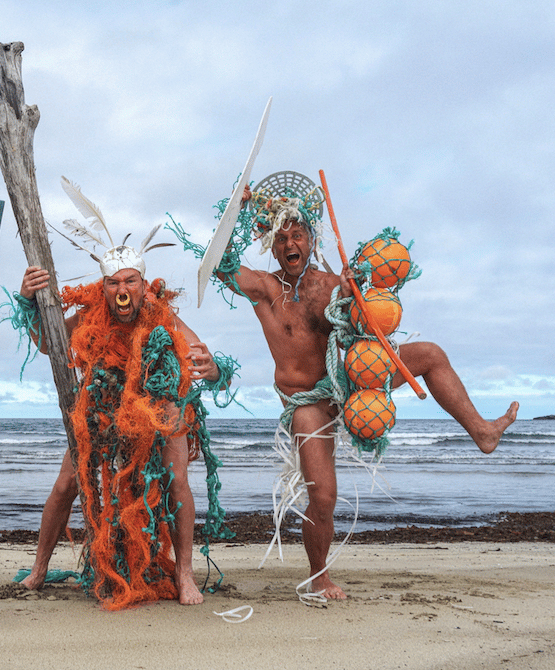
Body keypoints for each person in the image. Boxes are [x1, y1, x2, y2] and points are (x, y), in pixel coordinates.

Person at [212, 176, 519, 601]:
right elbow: (218, 263)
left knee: (429, 353)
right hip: (309, 404)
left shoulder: (336, 285)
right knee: (324, 496)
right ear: (270, 243)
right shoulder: (266, 289)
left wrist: (360, 286)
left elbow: (374, 313)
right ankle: (319, 577)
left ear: (310, 237)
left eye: (296, 234)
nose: (289, 244)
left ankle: (482, 431)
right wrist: (240, 210)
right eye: (280, 238)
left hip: (353, 384)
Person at [15, 242, 228, 608]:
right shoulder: (90, 316)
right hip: (103, 407)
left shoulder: (163, 318)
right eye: (113, 283)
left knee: (177, 481)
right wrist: (27, 302)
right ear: (104, 288)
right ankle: (38, 567)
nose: (122, 290)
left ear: (144, 285)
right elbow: (50, 344)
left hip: (159, 409)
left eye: (130, 281)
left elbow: (206, 362)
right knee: (67, 483)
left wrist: (214, 369)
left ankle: (184, 573)